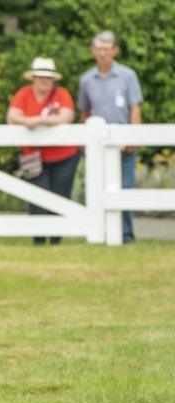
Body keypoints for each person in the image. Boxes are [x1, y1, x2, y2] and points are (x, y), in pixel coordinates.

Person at [78, 30, 143, 244]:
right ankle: (101, 232)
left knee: (124, 187)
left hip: (123, 144)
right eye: (98, 49)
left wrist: (132, 138)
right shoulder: (87, 79)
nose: (103, 53)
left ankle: (125, 234)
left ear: (114, 51)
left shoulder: (127, 75)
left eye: (107, 49)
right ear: (93, 51)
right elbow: (85, 112)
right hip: (98, 144)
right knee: (98, 188)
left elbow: (135, 108)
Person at [7, 58, 81, 245]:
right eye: (40, 77)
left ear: (53, 80)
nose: (44, 81)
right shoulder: (23, 94)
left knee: (60, 194)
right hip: (32, 155)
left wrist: (39, 121)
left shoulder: (62, 94)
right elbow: (12, 116)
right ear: (33, 78)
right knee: (36, 195)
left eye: (47, 78)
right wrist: (29, 121)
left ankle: (56, 239)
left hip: (63, 156)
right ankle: (38, 239)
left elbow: (66, 116)